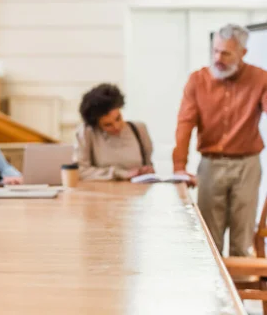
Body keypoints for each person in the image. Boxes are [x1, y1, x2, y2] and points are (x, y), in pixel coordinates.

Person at [174, 23, 267, 257]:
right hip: (211, 164)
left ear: (242, 53)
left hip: (247, 164)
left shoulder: (260, 78)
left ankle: (238, 291)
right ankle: (211, 293)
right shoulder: (197, 80)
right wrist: (179, 167)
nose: (218, 58)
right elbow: (185, 123)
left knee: (241, 237)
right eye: (215, 51)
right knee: (209, 237)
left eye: (226, 53)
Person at [75, 83, 154, 181]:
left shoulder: (139, 129)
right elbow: (80, 171)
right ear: (96, 124)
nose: (116, 126)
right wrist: (120, 173)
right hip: (100, 193)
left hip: (137, 192)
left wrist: (147, 171)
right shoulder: (87, 133)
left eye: (118, 118)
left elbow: (149, 168)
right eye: (107, 125)